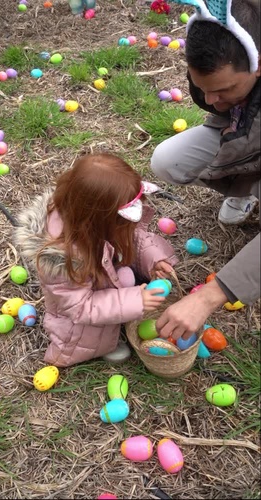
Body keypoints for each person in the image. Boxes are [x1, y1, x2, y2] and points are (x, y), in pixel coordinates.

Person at [150, 0, 260, 340]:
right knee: (167, 160)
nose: (211, 100)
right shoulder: (229, 39)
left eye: (225, 89)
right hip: (247, 131)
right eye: (203, 89)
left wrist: (210, 296)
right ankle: (247, 192)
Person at [14, 154, 178, 367]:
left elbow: (133, 237)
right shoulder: (64, 260)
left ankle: (123, 311)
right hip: (80, 327)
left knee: (129, 278)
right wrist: (136, 300)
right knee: (88, 335)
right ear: (98, 221)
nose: (127, 227)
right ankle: (102, 347)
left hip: (108, 282)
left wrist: (153, 260)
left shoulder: (96, 221)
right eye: (122, 224)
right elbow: (81, 308)